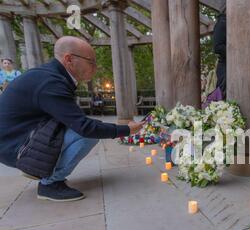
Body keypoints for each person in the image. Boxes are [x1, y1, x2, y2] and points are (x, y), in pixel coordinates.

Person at [0, 36, 145, 202]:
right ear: (69, 59)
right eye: (91, 62)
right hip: (14, 147)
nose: (95, 67)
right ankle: (49, 183)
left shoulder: (50, 76)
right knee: (87, 135)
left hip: (19, 138)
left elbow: (76, 120)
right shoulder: (51, 83)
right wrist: (126, 130)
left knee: (86, 127)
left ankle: (42, 169)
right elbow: (84, 128)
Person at [213, 4, 226, 98]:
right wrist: (235, 52)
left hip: (230, 65)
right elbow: (217, 47)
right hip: (225, 66)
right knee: (223, 94)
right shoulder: (222, 23)